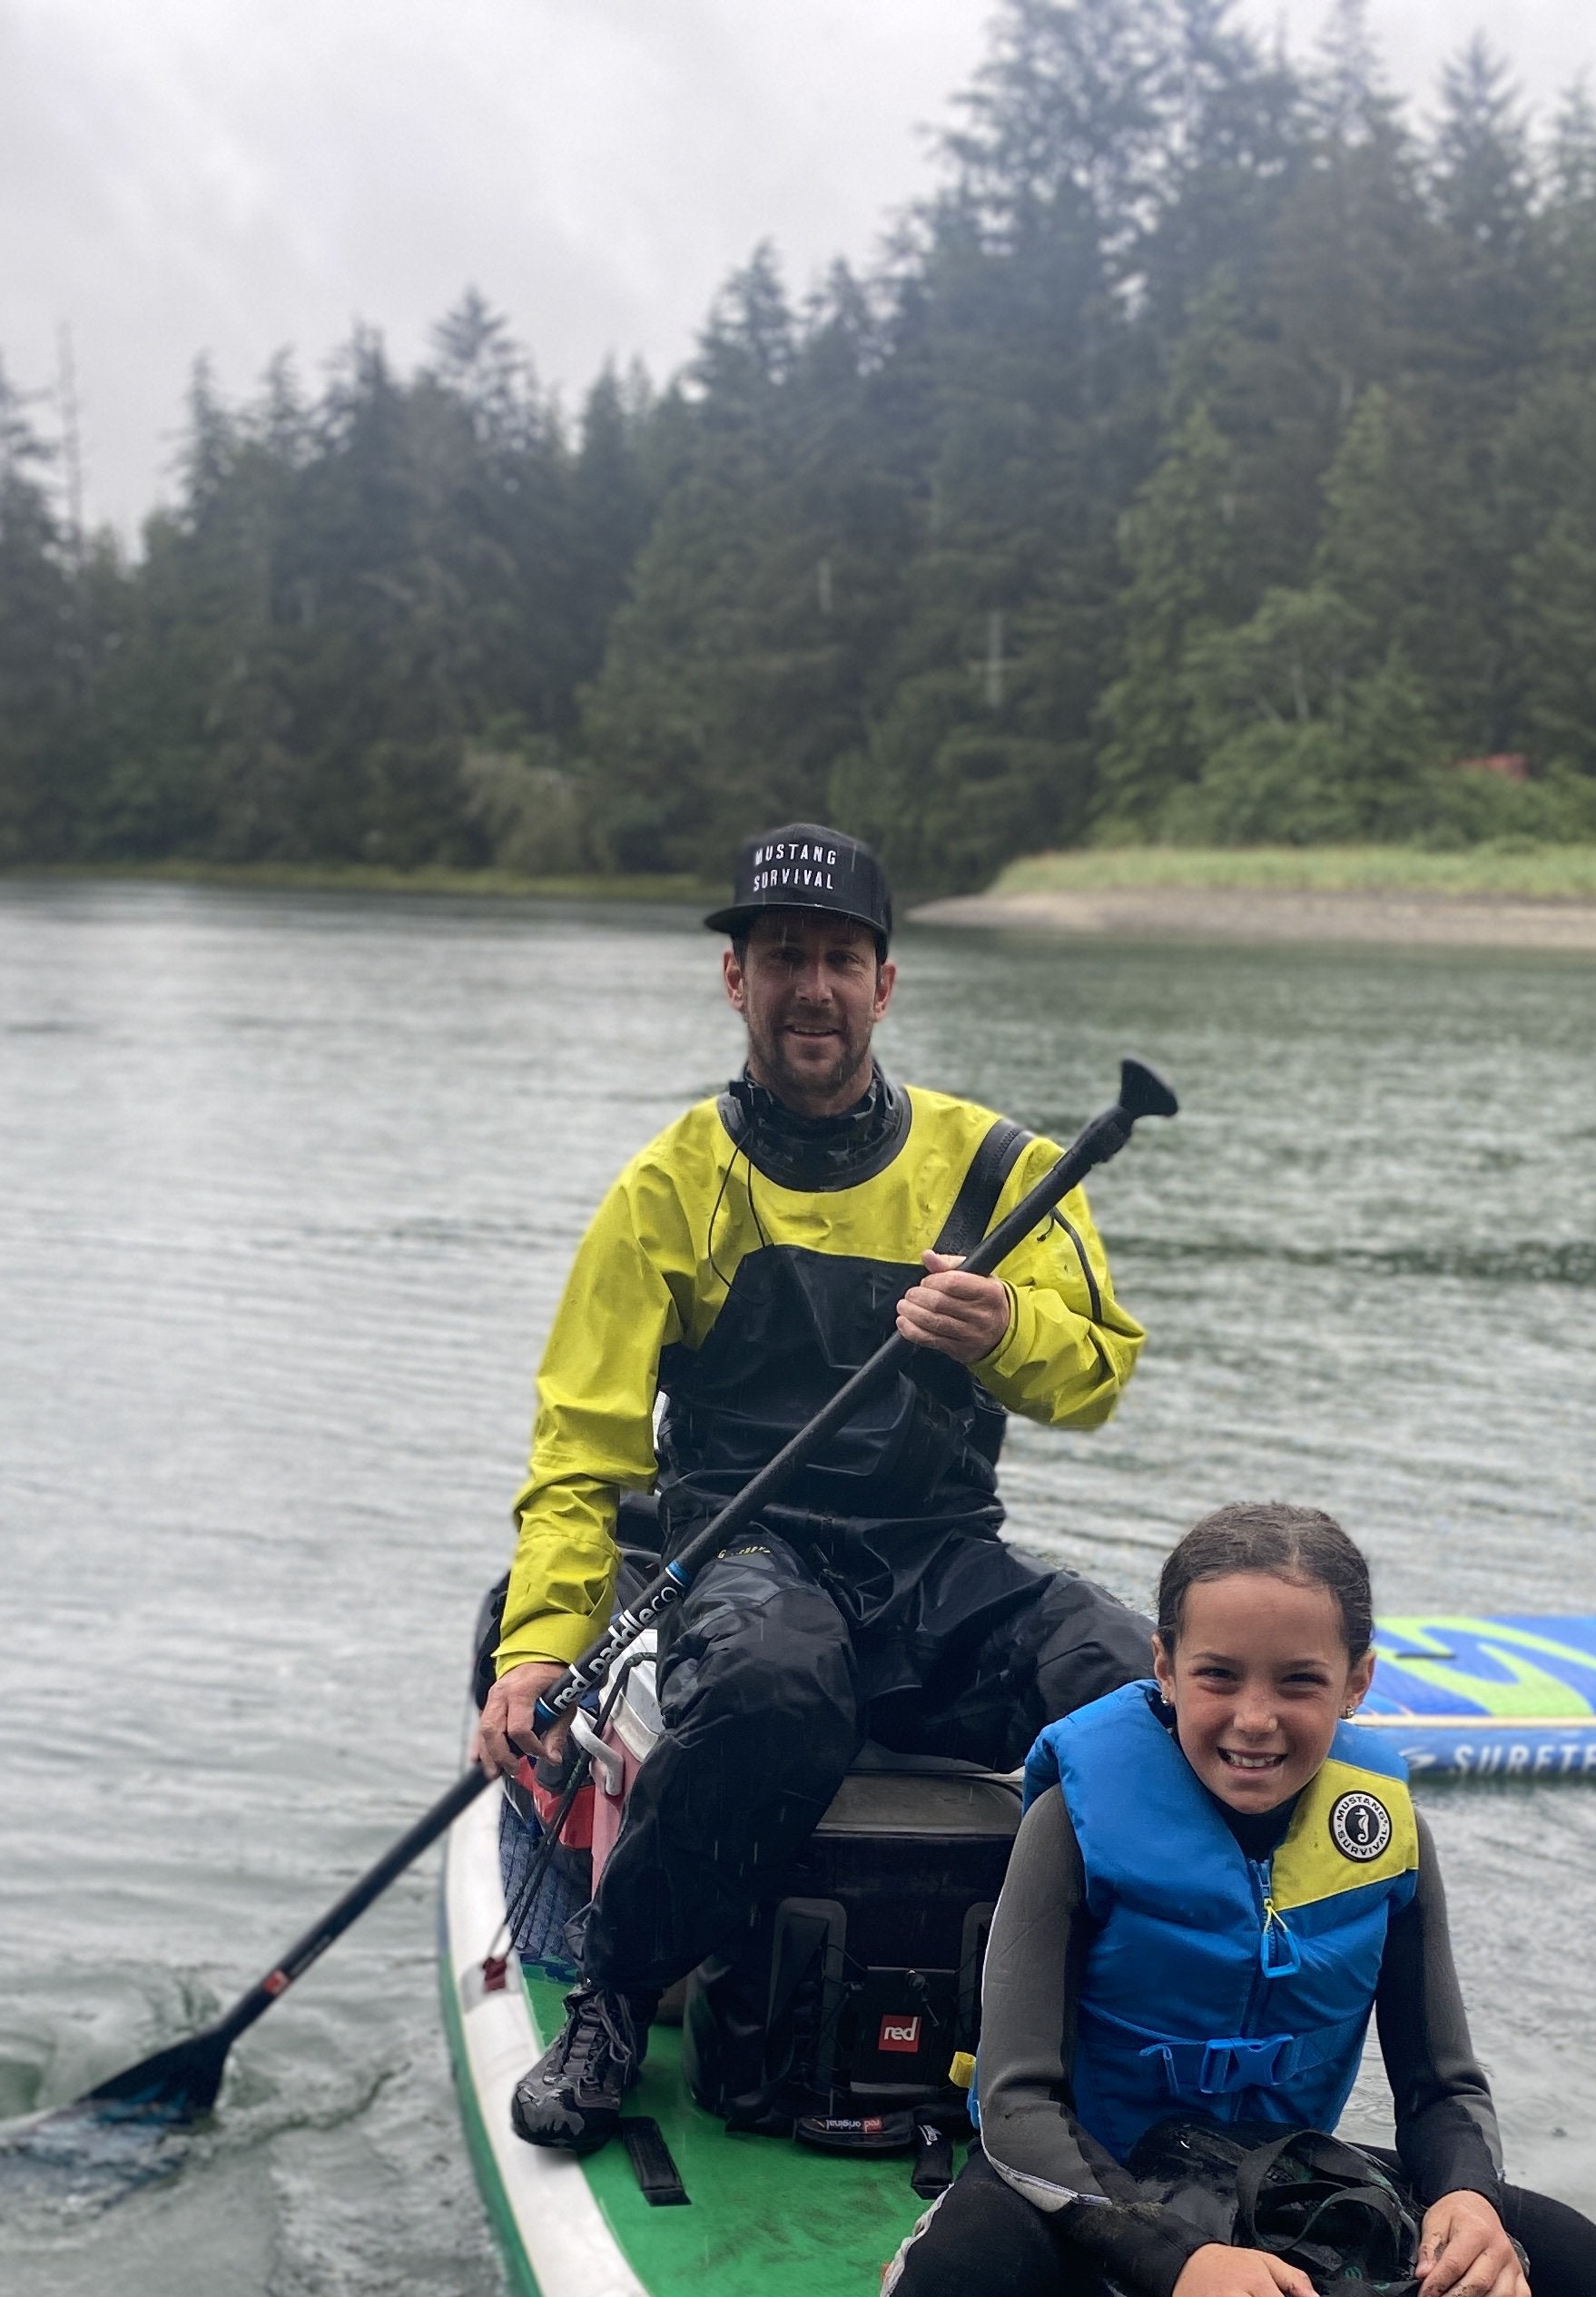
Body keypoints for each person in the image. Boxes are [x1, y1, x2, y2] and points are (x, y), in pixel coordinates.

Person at [703, 1501, 1596, 2297]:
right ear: (1164, 1667)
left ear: (1358, 1684)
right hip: (1084, 2189)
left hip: (1271, 2185)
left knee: (1578, 2265)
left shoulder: (1385, 1832)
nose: (1254, 1718)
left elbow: (1440, 2085)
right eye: (1219, 1675)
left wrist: (1466, 2197)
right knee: (976, 2247)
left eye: (1299, 1682)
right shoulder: (1075, 1816)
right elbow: (1013, 2105)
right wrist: (1183, 2262)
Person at [478, 820, 1154, 2149]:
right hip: (747, 1553)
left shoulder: (999, 1170)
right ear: (737, 979)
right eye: (784, 957)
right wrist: (540, 1644)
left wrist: (1005, 1329)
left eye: (842, 958)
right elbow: (584, 1451)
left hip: (944, 1562)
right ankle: (616, 1986)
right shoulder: (670, 1186)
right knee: (782, 1685)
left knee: (1132, 1689)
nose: (815, 989)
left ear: (885, 983)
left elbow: (1099, 1376)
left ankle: (1108, 2035)